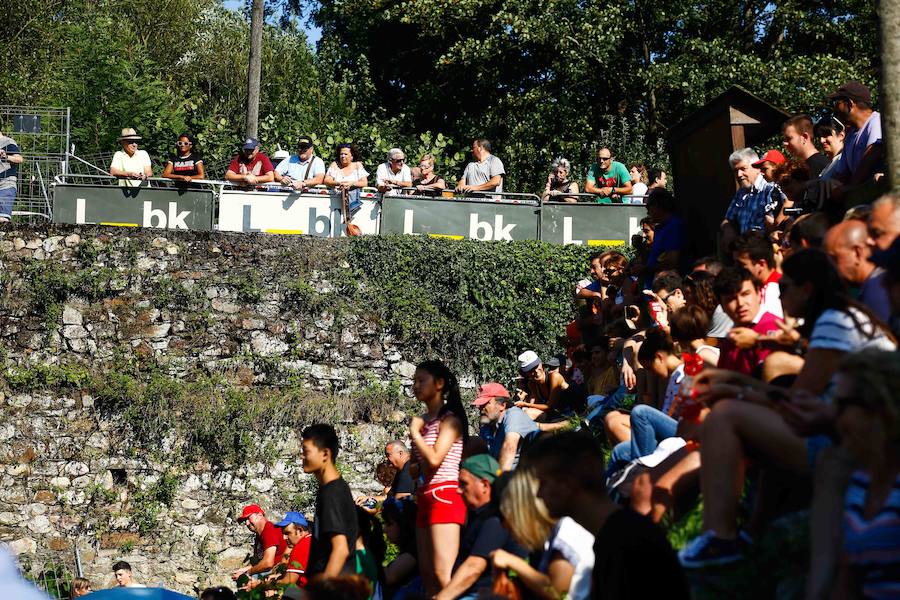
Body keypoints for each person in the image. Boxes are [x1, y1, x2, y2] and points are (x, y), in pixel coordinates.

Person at [679, 250, 896, 568]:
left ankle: (719, 537)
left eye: (784, 288)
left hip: (857, 447)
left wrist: (734, 389)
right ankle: (749, 534)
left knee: (724, 415)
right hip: (854, 438)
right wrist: (735, 382)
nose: (779, 296)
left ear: (805, 289)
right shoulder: (839, 318)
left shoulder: (834, 322)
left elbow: (795, 403)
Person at [531, 432, 689, 599]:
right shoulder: (614, 535)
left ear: (569, 482)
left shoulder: (626, 542)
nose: (539, 494)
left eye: (543, 483)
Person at [828, 350, 900, 599]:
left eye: (842, 405)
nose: (834, 416)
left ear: (880, 408)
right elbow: (847, 580)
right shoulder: (860, 481)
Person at [408, 360, 468, 595]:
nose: (416, 386)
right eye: (414, 381)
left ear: (439, 384)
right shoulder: (425, 423)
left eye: (421, 380)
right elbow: (414, 469)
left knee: (444, 575)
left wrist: (415, 434)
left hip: (445, 495)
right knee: (428, 575)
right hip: (425, 495)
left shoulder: (449, 421)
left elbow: (434, 460)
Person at [492, 467, 595, 600]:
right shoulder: (553, 534)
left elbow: (557, 594)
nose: (506, 527)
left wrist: (513, 562)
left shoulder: (567, 533)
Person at [434, 454, 527, 600]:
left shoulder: (495, 519)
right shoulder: (478, 514)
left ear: (484, 485)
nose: (458, 490)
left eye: (464, 484)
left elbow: (474, 568)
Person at [302, 424, 358, 578]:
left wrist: (322, 588)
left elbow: (340, 549)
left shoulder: (332, 492)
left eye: (306, 452)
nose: (302, 457)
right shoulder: (330, 489)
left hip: (335, 585)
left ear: (325, 454)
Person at [825, 220, 891, 321]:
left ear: (857, 253)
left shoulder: (875, 294)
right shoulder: (881, 283)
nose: (831, 267)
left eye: (834, 259)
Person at [828, 81, 883, 186]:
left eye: (837, 102)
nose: (834, 108)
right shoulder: (850, 136)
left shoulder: (876, 122)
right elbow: (841, 174)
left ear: (849, 104)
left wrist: (849, 188)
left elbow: (871, 157)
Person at [474, 382, 540, 470]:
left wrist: (499, 477)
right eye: (480, 405)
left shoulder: (514, 415)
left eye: (486, 404)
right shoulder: (488, 427)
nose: (480, 408)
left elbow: (509, 447)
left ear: (502, 405)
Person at [721, 148, 782, 238]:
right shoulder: (741, 193)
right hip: (745, 244)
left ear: (757, 168)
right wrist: (728, 231)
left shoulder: (770, 189)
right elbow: (728, 219)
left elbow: (775, 224)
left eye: (743, 169)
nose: (739, 174)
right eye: (735, 170)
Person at [731, 230, 783, 318]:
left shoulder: (773, 293)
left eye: (741, 265)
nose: (735, 268)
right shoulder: (761, 288)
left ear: (761, 264)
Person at [231, 504, 288, 581]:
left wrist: (246, 573)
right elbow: (257, 562)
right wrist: (241, 570)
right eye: (245, 521)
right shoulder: (259, 535)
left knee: (247, 581)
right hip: (271, 569)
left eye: (248, 518)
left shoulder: (269, 530)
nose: (247, 523)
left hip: (279, 570)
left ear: (259, 515)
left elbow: (268, 563)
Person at [356, 440, 415, 509]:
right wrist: (369, 499)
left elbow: (400, 504)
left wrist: (377, 509)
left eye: (388, 455)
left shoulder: (408, 471)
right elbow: (389, 497)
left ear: (400, 453)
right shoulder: (401, 471)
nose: (386, 458)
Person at [381, 497, 420, 597]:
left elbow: (389, 577)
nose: (384, 529)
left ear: (403, 525)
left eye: (389, 524)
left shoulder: (414, 550)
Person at [516, 350, 570, 421]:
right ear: (526, 373)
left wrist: (525, 404)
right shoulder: (532, 384)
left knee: (528, 412)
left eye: (536, 366)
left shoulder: (554, 376)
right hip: (555, 415)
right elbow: (538, 404)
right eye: (531, 370)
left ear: (541, 364)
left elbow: (549, 406)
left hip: (570, 413)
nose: (536, 371)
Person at [643, 188, 685, 278]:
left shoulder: (674, 226)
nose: (648, 212)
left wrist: (645, 269)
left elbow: (671, 261)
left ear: (657, 206)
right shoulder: (660, 228)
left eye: (648, 207)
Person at [324, 143, 369, 216]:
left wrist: (351, 183)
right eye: (341, 154)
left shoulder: (357, 165)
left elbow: (364, 182)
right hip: (335, 202)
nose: (343, 156)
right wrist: (339, 183)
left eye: (345, 154)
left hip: (354, 202)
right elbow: (326, 180)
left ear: (351, 156)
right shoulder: (335, 165)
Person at [272, 511, 312, 587]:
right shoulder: (311, 540)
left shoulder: (300, 547)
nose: (284, 538)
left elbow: (289, 582)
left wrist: (266, 584)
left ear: (300, 531)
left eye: (287, 533)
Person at [0, 130, 23, 223]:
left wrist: (6, 157)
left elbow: (19, 159)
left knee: (3, 218)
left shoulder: (8, 142)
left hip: (6, 184)